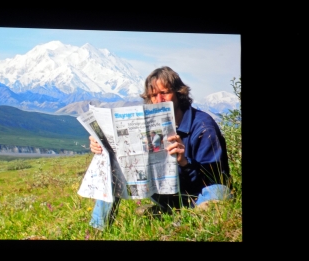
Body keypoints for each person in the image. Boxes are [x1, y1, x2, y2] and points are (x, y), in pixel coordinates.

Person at [88, 66, 231, 230]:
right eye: (154, 95)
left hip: (199, 192)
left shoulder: (203, 127)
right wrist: (102, 146)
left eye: (165, 92)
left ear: (179, 93)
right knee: (111, 161)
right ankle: (97, 229)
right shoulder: (147, 124)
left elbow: (216, 178)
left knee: (219, 192)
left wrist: (184, 162)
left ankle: (188, 217)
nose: (159, 99)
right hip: (165, 190)